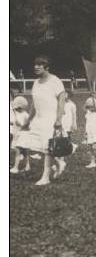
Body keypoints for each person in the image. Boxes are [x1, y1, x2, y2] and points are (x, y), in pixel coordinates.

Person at [19, 55, 67, 186]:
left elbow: (62, 100)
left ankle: (45, 177)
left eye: (40, 65)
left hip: (50, 118)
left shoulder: (55, 81)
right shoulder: (35, 83)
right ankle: (59, 162)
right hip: (38, 119)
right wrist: (29, 120)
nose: (36, 67)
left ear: (47, 67)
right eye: (35, 65)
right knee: (37, 146)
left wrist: (58, 119)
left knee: (47, 148)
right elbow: (34, 104)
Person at [10, 96, 30, 173]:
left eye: (18, 107)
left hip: (23, 135)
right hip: (18, 134)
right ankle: (27, 166)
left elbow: (28, 126)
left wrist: (20, 124)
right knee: (25, 152)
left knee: (18, 151)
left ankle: (15, 167)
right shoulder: (17, 114)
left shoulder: (26, 115)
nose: (17, 109)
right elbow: (14, 123)